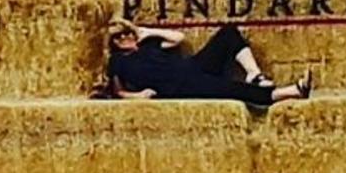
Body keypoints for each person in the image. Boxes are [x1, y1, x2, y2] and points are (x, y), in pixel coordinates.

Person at [106, 20, 313, 106]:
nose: (126, 37)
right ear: (114, 43)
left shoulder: (148, 45)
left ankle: (255, 75)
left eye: (127, 32)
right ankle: (291, 91)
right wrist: (139, 96)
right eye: (120, 37)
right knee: (231, 89)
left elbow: (178, 38)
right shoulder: (119, 62)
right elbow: (118, 92)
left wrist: (148, 31)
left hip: (192, 67)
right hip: (177, 87)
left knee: (228, 32)